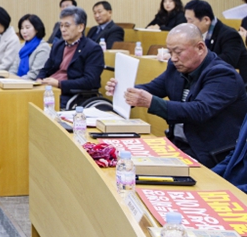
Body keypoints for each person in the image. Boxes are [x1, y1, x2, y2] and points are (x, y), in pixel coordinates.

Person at [105, 24, 247, 168]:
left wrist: (151, 102)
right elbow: (152, 88)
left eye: (178, 52)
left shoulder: (222, 74)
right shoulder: (175, 68)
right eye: (170, 52)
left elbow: (199, 110)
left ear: (200, 48)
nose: (173, 58)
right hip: (178, 145)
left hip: (210, 154)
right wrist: (125, 91)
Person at [37, 6, 104, 108]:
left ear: (80, 27)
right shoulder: (58, 45)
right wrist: (39, 79)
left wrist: (60, 84)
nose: (63, 29)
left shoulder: (93, 49)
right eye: (61, 25)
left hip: (70, 94)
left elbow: (90, 81)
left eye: (67, 26)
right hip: (49, 89)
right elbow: (46, 69)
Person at [184, 0, 247, 86]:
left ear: (206, 20)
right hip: (210, 77)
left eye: (191, 21)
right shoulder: (197, 33)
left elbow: (228, 60)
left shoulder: (229, 34)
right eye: (187, 20)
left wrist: (197, 61)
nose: (188, 24)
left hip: (231, 81)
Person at [213, 113, 247, 193]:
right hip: (229, 185)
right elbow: (236, 153)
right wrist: (208, 174)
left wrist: (232, 191)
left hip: (240, 192)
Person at [10, 14, 51, 80]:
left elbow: (34, 74)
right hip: (19, 82)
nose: (24, 31)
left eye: (27, 28)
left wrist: (16, 81)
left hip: (33, 84)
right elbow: (13, 69)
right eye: (22, 28)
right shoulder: (22, 46)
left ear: (37, 29)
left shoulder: (43, 47)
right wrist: (8, 79)